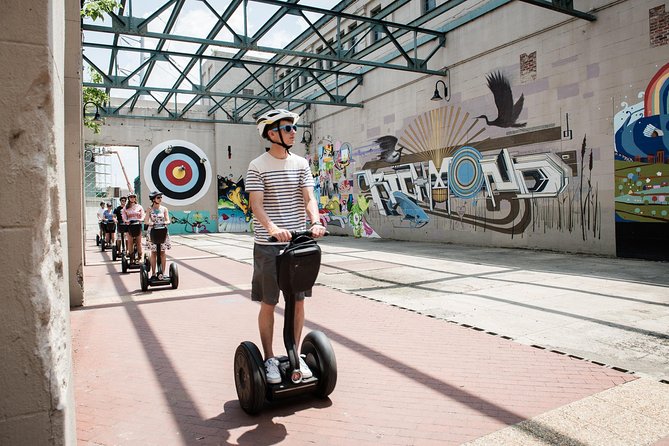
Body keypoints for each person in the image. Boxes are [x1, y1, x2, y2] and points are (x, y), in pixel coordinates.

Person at [245, 109, 326, 384]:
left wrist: (315, 221)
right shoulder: (257, 165)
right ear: (271, 133)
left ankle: (295, 356)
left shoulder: (301, 164)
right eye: (287, 127)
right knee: (269, 302)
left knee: (299, 300)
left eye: (293, 127)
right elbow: (256, 204)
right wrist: (273, 230)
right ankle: (268, 358)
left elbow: (308, 198)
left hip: (298, 243)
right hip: (268, 245)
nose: (294, 132)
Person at [143, 191, 171, 280]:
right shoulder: (149, 209)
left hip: (162, 231)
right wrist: (151, 223)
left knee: (162, 252)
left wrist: (165, 222)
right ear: (153, 199)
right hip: (153, 232)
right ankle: (154, 273)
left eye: (160, 197)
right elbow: (146, 221)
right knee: (154, 253)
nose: (160, 199)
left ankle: (162, 273)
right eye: (158, 198)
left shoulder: (164, 209)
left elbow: (168, 220)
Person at [121, 192, 145, 262]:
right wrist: (126, 220)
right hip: (130, 226)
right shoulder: (126, 207)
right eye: (131, 197)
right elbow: (124, 216)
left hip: (138, 225)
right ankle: (131, 258)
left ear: (135, 198)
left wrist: (141, 219)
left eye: (133, 197)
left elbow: (143, 214)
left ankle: (140, 257)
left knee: (139, 242)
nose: (132, 198)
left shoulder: (139, 206)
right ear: (129, 198)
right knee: (130, 242)